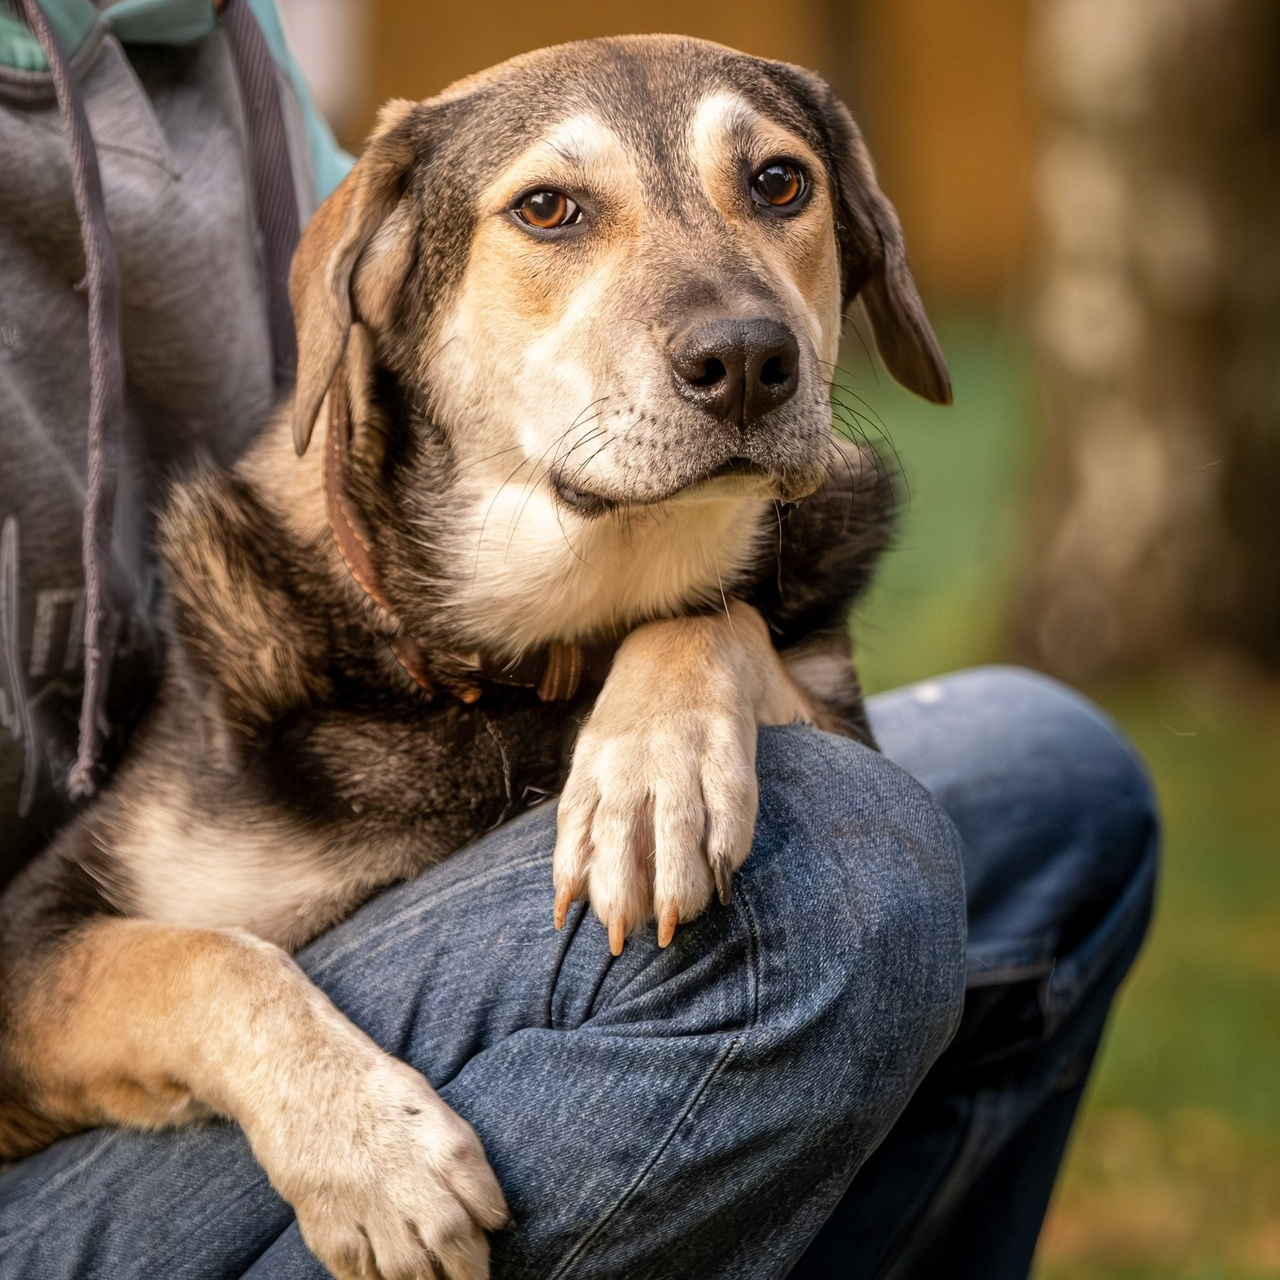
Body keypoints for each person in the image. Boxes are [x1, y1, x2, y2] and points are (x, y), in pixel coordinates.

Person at [0, 3, 1158, 1277]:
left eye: (773, 187)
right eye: (554, 211)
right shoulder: (280, 641)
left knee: (1056, 780)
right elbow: (26, 997)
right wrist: (255, 1036)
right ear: (380, 295)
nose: (730, 326)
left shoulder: (220, 45)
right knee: (826, 871)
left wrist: (702, 649)